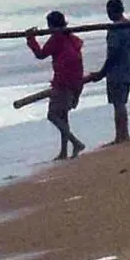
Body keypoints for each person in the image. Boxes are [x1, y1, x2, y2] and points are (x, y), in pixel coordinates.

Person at [25, 11, 86, 160]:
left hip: (63, 81)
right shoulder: (70, 37)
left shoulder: (57, 38)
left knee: (52, 115)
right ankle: (64, 151)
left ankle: (76, 142)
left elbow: (41, 54)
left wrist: (30, 38)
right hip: (76, 80)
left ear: (51, 25)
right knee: (63, 115)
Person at [90, 0, 130, 145]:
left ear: (112, 11)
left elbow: (113, 54)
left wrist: (101, 73)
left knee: (119, 103)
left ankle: (121, 136)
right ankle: (123, 135)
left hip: (116, 71)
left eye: (109, 11)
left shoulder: (114, 30)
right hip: (129, 68)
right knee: (121, 101)